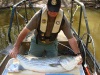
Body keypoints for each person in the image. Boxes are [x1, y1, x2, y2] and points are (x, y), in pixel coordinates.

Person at [9, 0, 82, 64]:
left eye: (55, 10)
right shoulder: (39, 16)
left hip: (52, 43)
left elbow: (71, 38)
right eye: (50, 10)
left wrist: (78, 54)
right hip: (37, 42)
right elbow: (25, 31)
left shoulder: (63, 19)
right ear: (47, 6)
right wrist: (16, 47)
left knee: (54, 64)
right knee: (30, 62)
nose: (53, 12)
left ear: (59, 8)